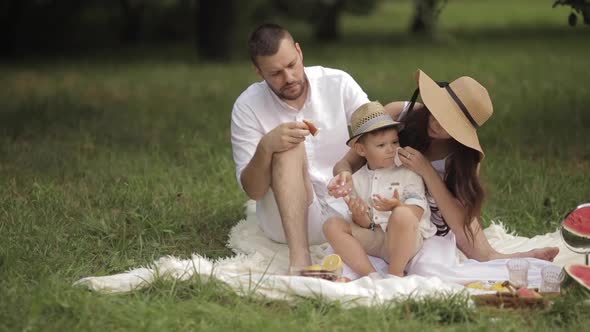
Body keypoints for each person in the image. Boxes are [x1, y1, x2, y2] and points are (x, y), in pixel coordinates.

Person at [328, 70, 559, 271]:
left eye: (449, 124)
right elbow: (345, 163)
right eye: (437, 112)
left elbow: (459, 223)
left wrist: (426, 171)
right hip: (380, 214)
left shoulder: (463, 158)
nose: (436, 124)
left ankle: (521, 258)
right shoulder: (399, 114)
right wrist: (344, 176)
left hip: (434, 220)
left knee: (481, 254)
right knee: (339, 226)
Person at [230, 23, 369, 273]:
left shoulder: (337, 83)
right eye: (275, 73)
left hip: (348, 209)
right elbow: (253, 191)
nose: (289, 78)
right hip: (286, 221)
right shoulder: (247, 106)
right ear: (258, 71)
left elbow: (375, 130)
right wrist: (266, 148)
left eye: (292, 65)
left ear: (299, 51)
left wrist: (346, 167)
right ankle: (300, 261)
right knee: (286, 146)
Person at [323, 101, 436, 277]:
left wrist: (397, 206)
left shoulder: (408, 172)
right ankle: (371, 274)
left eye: (394, 142)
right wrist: (359, 215)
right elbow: (366, 224)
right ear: (361, 149)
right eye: (381, 145)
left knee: (402, 214)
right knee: (332, 225)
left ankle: (395, 273)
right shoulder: (357, 179)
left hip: (405, 239)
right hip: (376, 239)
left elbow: (417, 211)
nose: (391, 149)